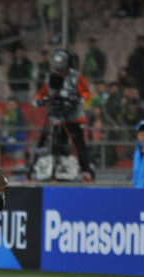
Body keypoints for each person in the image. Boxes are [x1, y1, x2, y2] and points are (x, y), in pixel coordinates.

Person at [31, 49, 95, 181]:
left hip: (74, 116)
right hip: (56, 116)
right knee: (55, 142)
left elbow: (85, 92)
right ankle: (54, 170)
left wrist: (78, 98)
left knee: (78, 144)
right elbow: (43, 92)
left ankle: (86, 171)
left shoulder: (76, 76)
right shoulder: (50, 77)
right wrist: (38, 99)